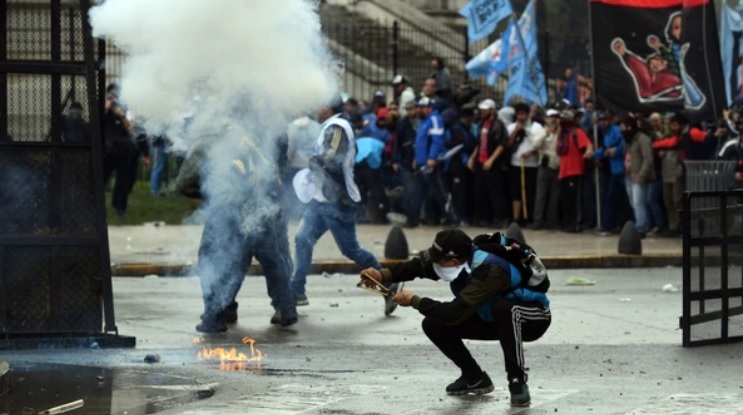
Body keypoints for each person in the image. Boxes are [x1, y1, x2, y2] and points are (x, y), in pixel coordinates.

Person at [359, 229, 551, 407]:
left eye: (439, 260)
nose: (434, 264)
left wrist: (415, 301)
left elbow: (455, 313)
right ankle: (474, 377)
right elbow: (419, 265)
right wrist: (383, 275)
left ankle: (517, 382)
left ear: (454, 261)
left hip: (531, 318)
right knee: (434, 324)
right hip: (492, 317)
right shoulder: (455, 259)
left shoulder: (490, 269)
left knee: (505, 309)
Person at [291, 100, 402, 315]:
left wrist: (312, 161)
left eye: (320, 105)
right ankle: (296, 290)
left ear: (329, 108)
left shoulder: (337, 127)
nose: (316, 108)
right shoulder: (332, 126)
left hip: (338, 202)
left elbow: (331, 160)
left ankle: (386, 285)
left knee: (350, 250)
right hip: (322, 198)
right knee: (302, 238)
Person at [196, 134, 298, 333]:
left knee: (216, 259)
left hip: (239, 213)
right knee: (272, 259)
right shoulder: (262, 155)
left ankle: (214, 315)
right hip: (266, 211)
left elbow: (222, 190)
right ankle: (286, 307)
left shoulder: (232, 157)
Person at [467, 99, 509, 227]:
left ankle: (500, 218)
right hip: (481, 161)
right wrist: (472, 157)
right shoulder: (481, 124)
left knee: (495, 192)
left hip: (493, 163)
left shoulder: (498, 125)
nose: (482, 112)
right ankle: (483, 217)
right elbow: (479, 143)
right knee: (479, 190)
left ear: (491, 110)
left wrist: (491, 160)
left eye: (484, 110)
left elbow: (502, 144)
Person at [102, 83, 138, 218]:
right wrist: (106, 109)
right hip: (108, 149)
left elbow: (130, 128)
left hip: (124, 148)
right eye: (111, 94)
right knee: (102, 177)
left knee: (123, 180)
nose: (113, 98)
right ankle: (96, 207)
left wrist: (121, 116)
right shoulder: (104, 107)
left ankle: (119, 207)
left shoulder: (125, 109)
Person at [556, 110, 594, 233]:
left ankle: (576, 223)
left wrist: (588, 152)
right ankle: (568, 222)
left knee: (574, 200)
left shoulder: (577, 132)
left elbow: (588, 144)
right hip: (563, 171)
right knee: (566, 200)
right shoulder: (561, 135)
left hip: (575, 170)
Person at [506, 103, 543, 226]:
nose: (521, 117)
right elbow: (508, 144)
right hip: (516, 163)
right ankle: (516, 218)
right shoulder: (511, 127)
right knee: (516, 191)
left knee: (530, 191)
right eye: (519, 114)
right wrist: (516, 131)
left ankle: (529, 216)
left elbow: (539, 143)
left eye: (523, 114)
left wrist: (531, 152)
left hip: (532, 164)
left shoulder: (536, 127)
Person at [531, 109, 561, 229]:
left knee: (555, 196)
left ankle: (552, 220)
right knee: (541, 195)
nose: (553, 119)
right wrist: (547, 133)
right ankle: (537, 220)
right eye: (551, 117)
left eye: (555, 117)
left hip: (557, 166)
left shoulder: (561, 133)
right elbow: (536, 144)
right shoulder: (542, 131)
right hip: (545, 165)